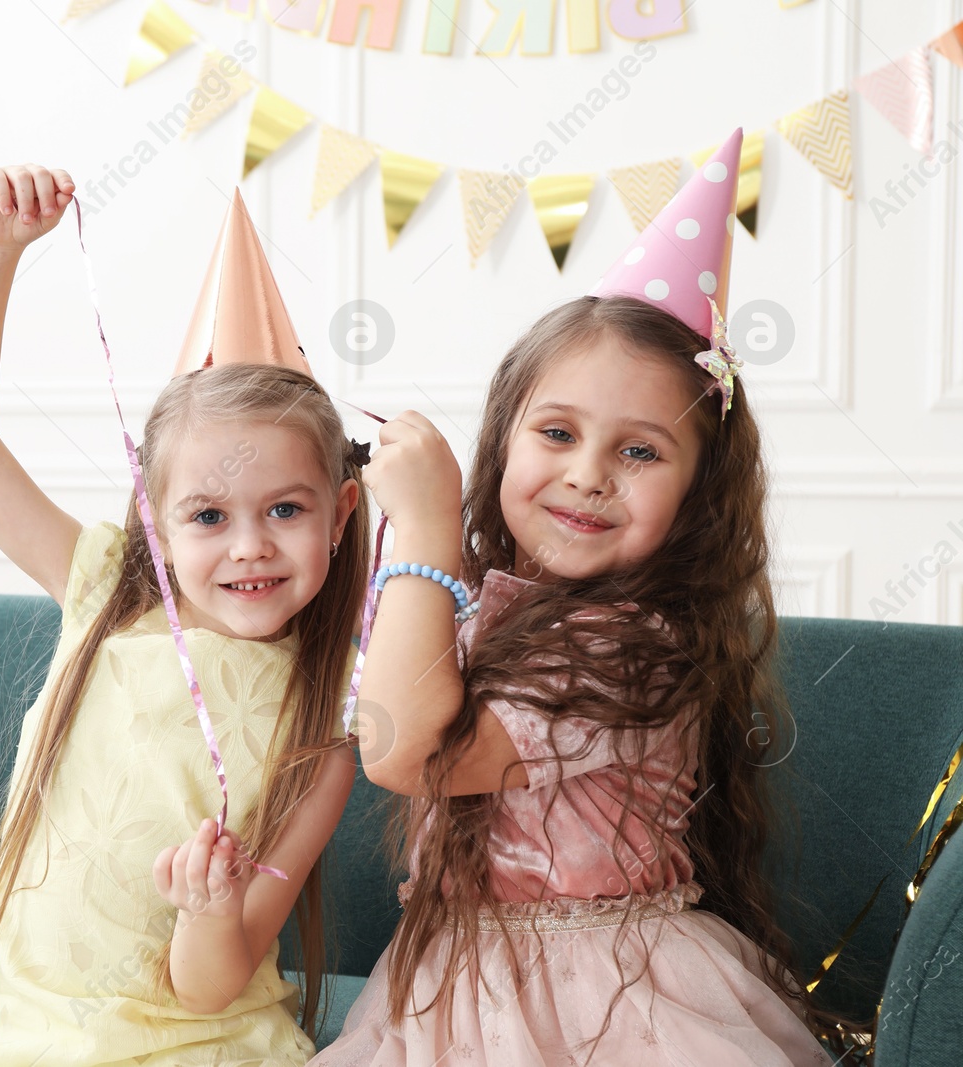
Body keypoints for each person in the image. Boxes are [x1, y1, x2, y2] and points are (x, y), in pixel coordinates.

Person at [313, 129, 836, 1065]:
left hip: (606, 1002)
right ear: (505, 442)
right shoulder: (479, 609)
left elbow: (399, 752)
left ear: (695, 495)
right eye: (557, 431)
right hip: (453, 981)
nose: (588, 474)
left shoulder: (634, 648)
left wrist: (427, 535)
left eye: (640, 450)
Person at [0, 164, 370, 1065]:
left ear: (342, 514)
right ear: (156, 526)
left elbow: (212, 984)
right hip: (35, 1041)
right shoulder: (101, 597)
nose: (248, 546)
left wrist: (209, 911)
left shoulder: (325, 736)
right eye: (208, 515)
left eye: (285, 509)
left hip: (209, 1041)